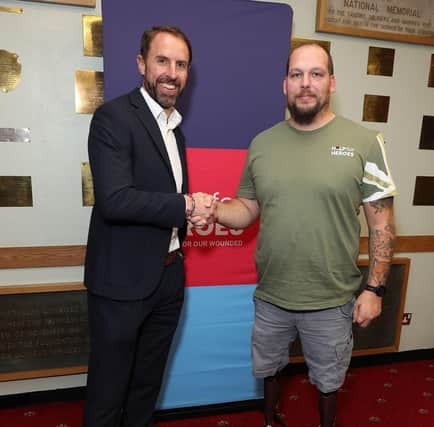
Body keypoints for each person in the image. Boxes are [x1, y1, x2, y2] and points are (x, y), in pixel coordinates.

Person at [202, 43, 397, 427]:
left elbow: (382, 225)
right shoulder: (262, 144)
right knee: (269, 369)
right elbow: (246, 210)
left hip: (332, 299)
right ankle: (271, 421)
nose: (305, 84)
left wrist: (374, 290)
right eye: (296, 75)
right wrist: (212, 210)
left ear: (332, 83)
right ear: (284, 84)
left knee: (328, 380)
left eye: (316, 74)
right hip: (273, 295)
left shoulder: (365, 143)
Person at [83, 26, 212, 427]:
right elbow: (115, 199)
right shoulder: (113, 118)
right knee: (108, 392)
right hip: (121, 283)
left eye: (181, 64)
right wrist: (188, 205)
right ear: (141, 64)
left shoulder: (177, 131)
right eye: (162, 61)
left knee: (146, 388)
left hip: (169, 277)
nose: (171, 72)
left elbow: (169, 203)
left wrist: (194, 215)